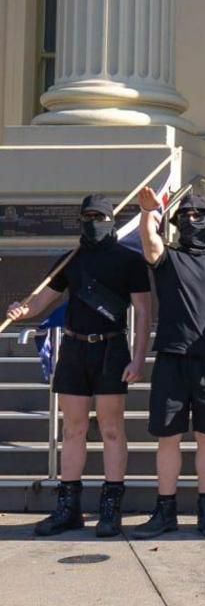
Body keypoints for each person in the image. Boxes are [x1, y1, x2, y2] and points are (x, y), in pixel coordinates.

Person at [6, 195, 151, 537]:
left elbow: (143, 311)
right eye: (87, 215)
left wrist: (139, 356)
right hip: (73, 348)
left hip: (111, 348)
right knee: (73, 430)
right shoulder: (70, 259)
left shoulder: (128, 261)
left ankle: (110, 509)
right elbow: (41, 300)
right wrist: (20, 310)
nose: (93, 221)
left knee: (112, 429)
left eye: (99, 215)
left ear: (111, 219)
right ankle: (68, 508)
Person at [132, 191, 205, 539]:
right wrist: (150, 212)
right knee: (168, 437)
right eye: (186, 214)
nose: (192, 220)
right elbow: (149, 241)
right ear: (176, 221)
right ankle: (165, 510)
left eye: (200, 215)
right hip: (170, 359)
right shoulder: (168, 258)